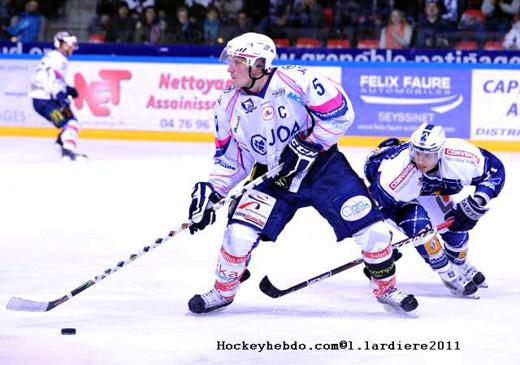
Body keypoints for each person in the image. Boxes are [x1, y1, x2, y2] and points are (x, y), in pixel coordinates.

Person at [186, 32, 419, 314]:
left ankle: (386, 288)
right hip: (273, 176)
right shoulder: (227, 105)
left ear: (258, 65)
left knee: (375, 232)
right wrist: (213, 189)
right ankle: (223, 291)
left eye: (237, 62)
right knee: (238, 235)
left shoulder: (298, 80)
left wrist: (309, 144)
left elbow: (341, 113)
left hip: (325, 170)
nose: (229, 68)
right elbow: (232, 157)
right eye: (230, 61)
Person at [364, 123, 505, 297]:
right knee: (421, 229)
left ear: (440, 152)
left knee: (457, 232)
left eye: (428, 155)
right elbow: (377, 209)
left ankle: (460, 264)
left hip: (430, 190)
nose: (421, 161)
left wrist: (478, 200)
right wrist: (381, 248)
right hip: (398, 196)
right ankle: (449, 275)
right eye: (417, 153)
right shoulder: (395, 176)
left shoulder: (459, 157)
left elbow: (495, 170)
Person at [28, 31, 87, 161]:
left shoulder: (53, 57)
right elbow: (52, 79)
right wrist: (60, 95)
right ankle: (66, 153)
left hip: (45, 99)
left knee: (72, 123)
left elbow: (51, 78)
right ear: (59, 44)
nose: (71, 47)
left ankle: (63, 147)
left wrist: (66, 89)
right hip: (45, 101)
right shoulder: (59, 60)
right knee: (69, 124)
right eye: (69, 44)